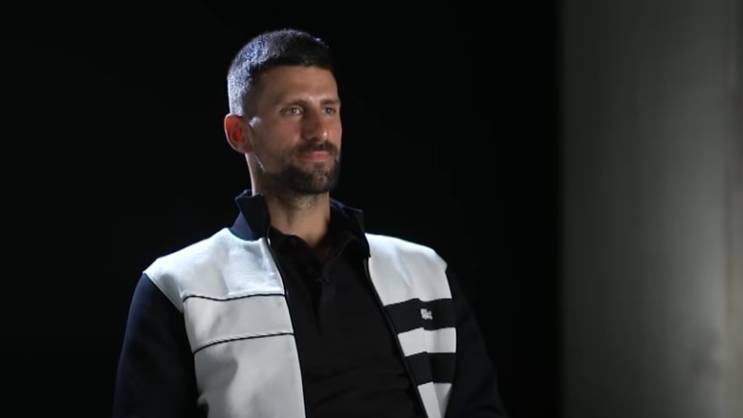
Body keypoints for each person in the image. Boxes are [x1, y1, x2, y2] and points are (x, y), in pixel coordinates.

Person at [113, 28, 508, 418]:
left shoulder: (425, 272)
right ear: (239, 134)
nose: (319, 131)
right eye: (294, 110)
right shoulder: (178, 287)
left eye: (329, 109)